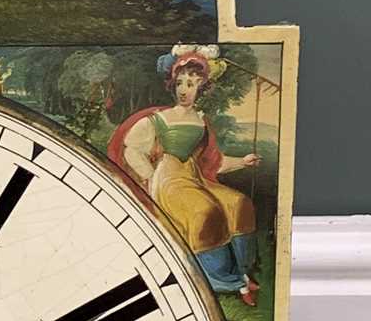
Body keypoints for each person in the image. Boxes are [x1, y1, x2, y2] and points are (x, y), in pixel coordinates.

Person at [108, 44, 260, 304]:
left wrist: (244, 162)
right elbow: (131, 149)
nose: (183, 90)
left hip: (195, 177)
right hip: (167, 179)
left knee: (238, 204)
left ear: (202, 87)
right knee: (204, 212)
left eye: (190, 84)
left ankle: (243, 272)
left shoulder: (201, 122)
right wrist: (150, 175)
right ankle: (225, 281)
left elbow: (213, 161)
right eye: (180, 83)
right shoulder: (159, 119)